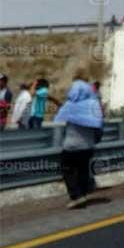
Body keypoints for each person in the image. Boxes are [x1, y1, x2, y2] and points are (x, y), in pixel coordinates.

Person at [54, 71, 104, 209]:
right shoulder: (93, 103)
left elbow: (58, 121)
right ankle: (83, 194)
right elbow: (99, 124)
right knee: (82, 170)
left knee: (67, 169)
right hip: (88, 146)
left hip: (71, 145)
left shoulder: (70, 105)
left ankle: (76, 196)